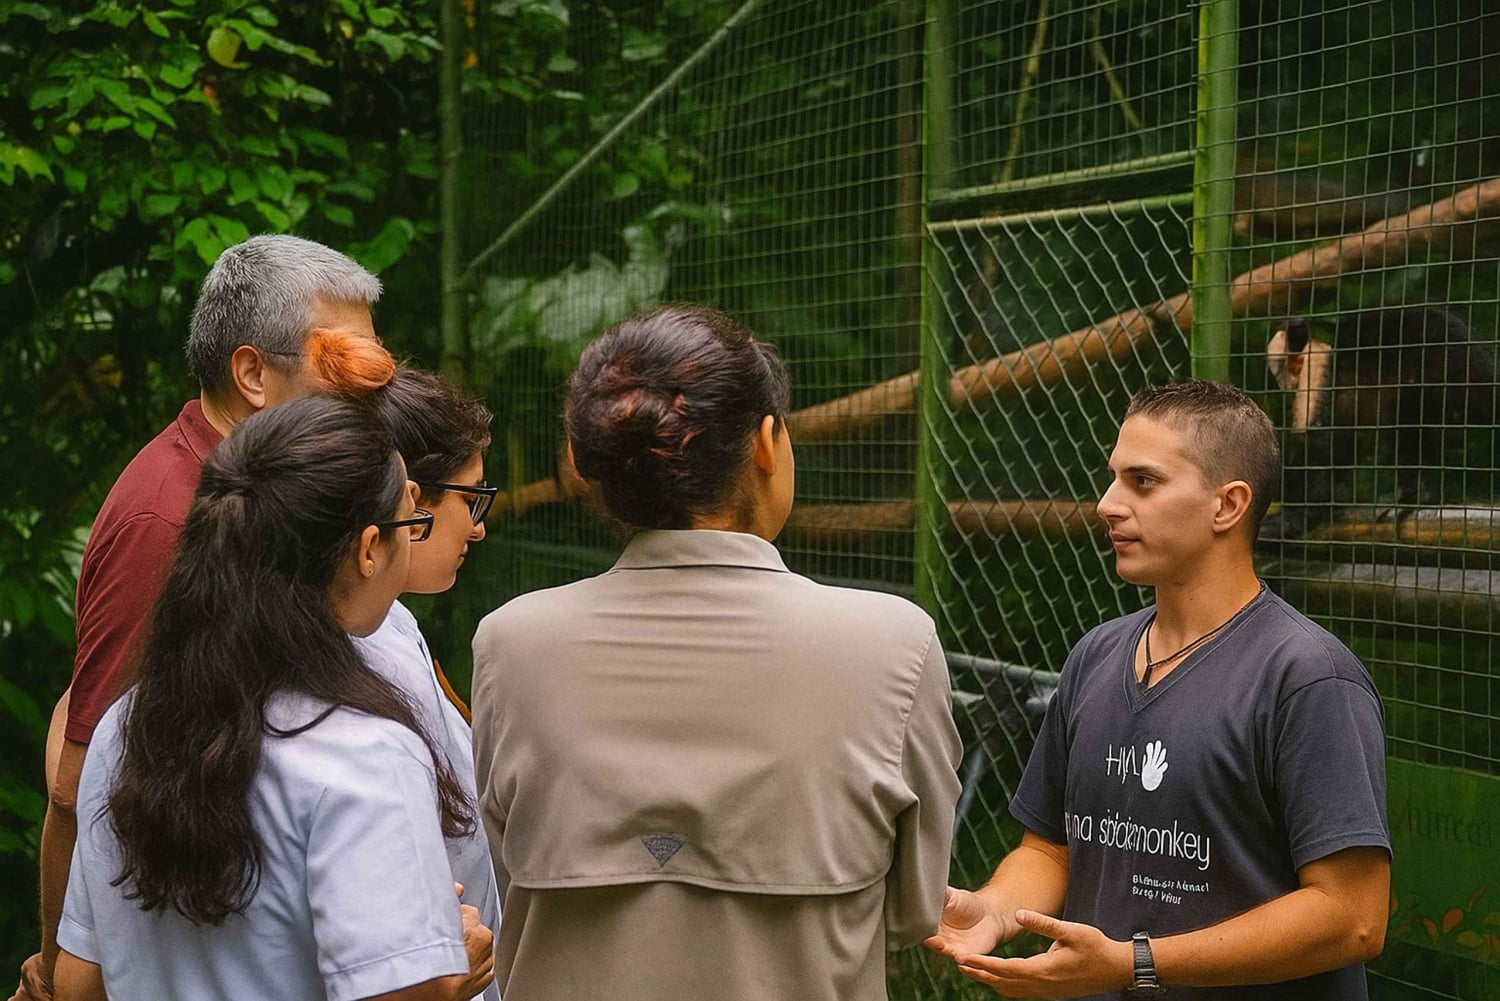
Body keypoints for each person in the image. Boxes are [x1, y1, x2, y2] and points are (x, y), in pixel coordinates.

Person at [469, 304, 963, 1001]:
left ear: (592, 466)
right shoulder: (896, 644)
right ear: (766, 444)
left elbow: (503, 874)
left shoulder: (509, 644)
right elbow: (915, 908)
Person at [14, 235, 393, 1001]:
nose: (369, 407)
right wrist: (62, 975)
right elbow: (79, 778)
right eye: (344, 375)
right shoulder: (169, 515)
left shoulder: (271, 496)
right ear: (253, 373)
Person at [925, 380, 1390, 999]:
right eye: (1113, 477)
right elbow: (1052, 851)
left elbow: (1353, 917)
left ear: (1228, 505)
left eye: (1143, 482)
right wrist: (995, 910)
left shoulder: (1307, 678)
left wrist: (1136, 963)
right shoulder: (1096, 655)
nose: (1107, 504)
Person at [51, 396, 494, 1001]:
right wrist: (447, 972)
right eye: (407, 525)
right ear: (367, 550)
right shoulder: (365, 753)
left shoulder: (127, 726)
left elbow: (77, 983)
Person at [357, 366, 502, 1000]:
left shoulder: (389, 620)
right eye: (470, 499)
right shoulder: (350, 652)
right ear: (412, 502)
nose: (478, 526)